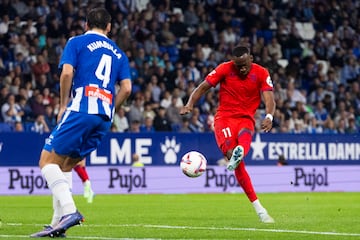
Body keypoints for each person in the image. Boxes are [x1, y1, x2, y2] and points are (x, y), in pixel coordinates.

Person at [30, 8, 132, 238]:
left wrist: (62, 105)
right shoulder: (119, 53)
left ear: (86, 24)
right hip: (104, 116)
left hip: (82, 107)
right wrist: (112, 108)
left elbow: (67, 74)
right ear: (109, 27)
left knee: (46, 161)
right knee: (65, 166)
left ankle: (69, 211)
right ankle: (57, 224)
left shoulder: (76, 42)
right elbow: (127, 88)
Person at [180, 45, 276, 223]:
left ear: (251, 59)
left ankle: (260, 209)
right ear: (233, 62)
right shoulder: (225, 68)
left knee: (244, 139)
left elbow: (269, 98)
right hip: (225, 119)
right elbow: (202, 87)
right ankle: (260, 209)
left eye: (244, 64)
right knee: (234, 157)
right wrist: (190, 104)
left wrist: (269, 116)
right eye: (238, 65)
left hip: (246, 119)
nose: (242, 68)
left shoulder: (262, 73)